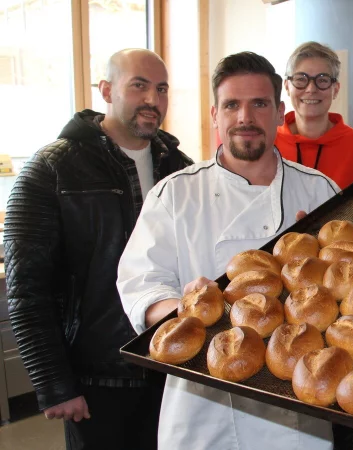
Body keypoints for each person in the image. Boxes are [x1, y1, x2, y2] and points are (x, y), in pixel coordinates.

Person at [116, 51, 339, 449]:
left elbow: (345, 287)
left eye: (259, 104)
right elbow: (141, 282)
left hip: (297, 413)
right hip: (204, 412)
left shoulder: (320, 190)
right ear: (215, 114)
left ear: (278, 112)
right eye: (232, 105)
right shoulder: (176, 194)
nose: (245, 118)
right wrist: (184, 314)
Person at [3, 48, 192, 449]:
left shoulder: (179, 168)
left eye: (161, 89)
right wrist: (54, 384)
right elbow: (27, 287)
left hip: (170, 368)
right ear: (106, 90)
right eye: (138, 85)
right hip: (96, 378)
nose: (152, 100)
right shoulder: (52, 168)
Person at [275, 41, 353, 189]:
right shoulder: (267, 144)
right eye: (301, 79)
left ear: (336, 89)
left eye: (322, 80)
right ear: (287, 86)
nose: (311, 89)